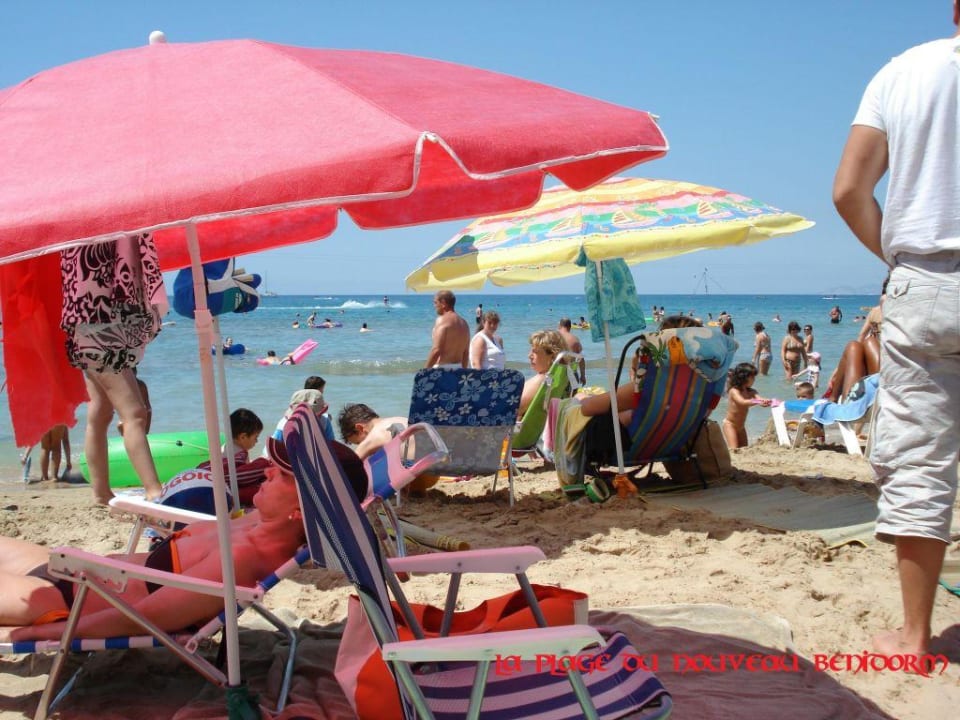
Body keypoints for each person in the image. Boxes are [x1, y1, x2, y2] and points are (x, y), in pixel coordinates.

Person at [832, 1, 960, 663]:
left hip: (926, 277)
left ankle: (914, 639)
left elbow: (849, 189)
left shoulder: (903, 72)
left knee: (920, 461)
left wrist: (901, 262)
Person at [0, 440, 367, 642]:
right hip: (70, 569)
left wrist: (41, 633)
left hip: (64, 600)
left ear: (301, 511)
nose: (267, 469)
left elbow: (143, 618)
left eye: (283, 473)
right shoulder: (261, 523)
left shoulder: (240, 559)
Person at [60, 233, 165, 505]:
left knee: (101, 412)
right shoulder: (105, 223)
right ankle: (154, 490)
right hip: (101, 321)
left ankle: (101, 492)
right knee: (135, 413)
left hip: (83, 320)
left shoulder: (72, 231)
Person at [197, 408, 271, 507]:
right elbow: (240, 476)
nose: (257, 441)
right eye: (255, 437)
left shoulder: (225, 447)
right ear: (243, 437)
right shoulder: (240, 454)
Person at [722, 363, 771, 449]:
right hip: (730, 425)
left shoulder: (751, 391)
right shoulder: (734, 391)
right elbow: (742, 402)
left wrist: (767, 402)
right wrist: (758, 401)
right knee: (734, 448)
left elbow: (760, 400)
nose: (754, 380)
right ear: (743, 377)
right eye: (752, 377)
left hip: (741, 427)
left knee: (744, 448)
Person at [518, 329, 566, 418]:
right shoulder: (558, 378)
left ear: (552, 355)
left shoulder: (542, 380)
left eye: (535, 352)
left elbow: (515, 409)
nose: (529, 356)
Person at [337, 403, 409, 460]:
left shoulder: (376, 434)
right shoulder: (400, 419)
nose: (361, 445)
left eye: (359, 443)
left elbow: (352, 464)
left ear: (360, 428)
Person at [425, 290, 470, 368]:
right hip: (458, 369)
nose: (434, 306)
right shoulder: (464, 323)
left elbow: (436, 350)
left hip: (442, 369)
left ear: (443, 303)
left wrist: (424, 372)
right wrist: (464, 372)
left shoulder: (442, 320)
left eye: (435, 302)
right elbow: (466, 352)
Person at [117, 368, 151, 437]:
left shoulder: (141, 385)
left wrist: (147, 429)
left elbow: (148, 407)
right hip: (127, 414)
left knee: (140, 430)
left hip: (140, 413)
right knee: (120, 426)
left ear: (135, 373)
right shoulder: (122, 386)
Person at [557, 317, 586, 385]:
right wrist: (583, 376)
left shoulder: (553, 337)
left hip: (557, 377)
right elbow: (581, 359)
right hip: (572, 378)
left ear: (559, 326)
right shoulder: (575, 339)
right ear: (570, 327)